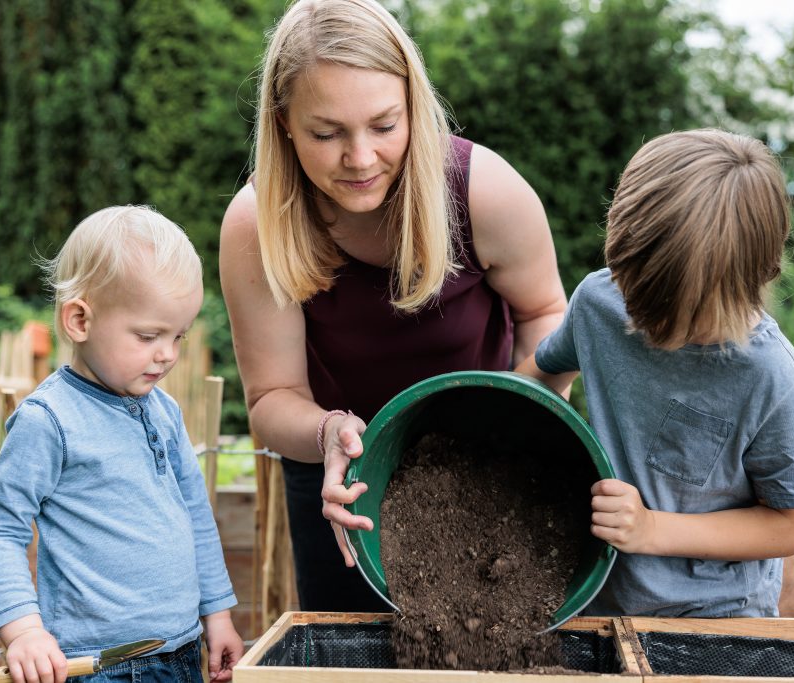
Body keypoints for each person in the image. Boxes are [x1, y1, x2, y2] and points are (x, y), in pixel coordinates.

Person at [220, 0, 567, 612]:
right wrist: (329, 433)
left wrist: (512, 422)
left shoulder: (483, 192)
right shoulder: (257, 224)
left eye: (384, 126)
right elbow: (272, 398)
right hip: (339, 484)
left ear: (413, 105)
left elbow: (548, 317)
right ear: (283, 124)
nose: (359, 158)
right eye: (326, 134)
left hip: (488, 466)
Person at [515, 129, 794, 617]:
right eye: (635, 297)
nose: (644, 324)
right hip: (593, 593)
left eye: (673, 315)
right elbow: (539, 379)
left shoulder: (773, 380)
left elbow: (792, 525)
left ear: (751, 283)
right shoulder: (601, 303)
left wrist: (651, 529)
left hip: (711, 618)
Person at [0, 206, 243, 683]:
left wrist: (217, 615)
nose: (167, 354)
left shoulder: (165, 411)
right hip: (100, 665)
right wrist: (24, 632)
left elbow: (196, 516)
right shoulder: (49, 420)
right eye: (147, 335)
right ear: (79, 319)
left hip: (181, 652)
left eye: (178, 336)